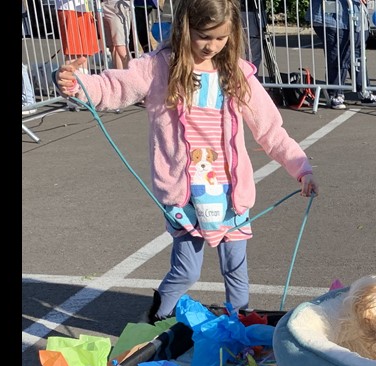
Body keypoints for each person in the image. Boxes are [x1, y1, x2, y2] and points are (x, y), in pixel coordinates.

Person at [53, 0, 320, 322]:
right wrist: (78, 84)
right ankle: (155, 321)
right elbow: (114, 86)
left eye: (221, 38)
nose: (212, 46)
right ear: (184, 28)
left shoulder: (236, 74)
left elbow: (271, 131)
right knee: (186, 270)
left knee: (236, 268)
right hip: (185, 193)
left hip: (231, 193)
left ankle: (240, 321)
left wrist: (301, 168)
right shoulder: (158, 68)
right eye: (204, 36)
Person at [310, 0, 376, 109]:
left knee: (358, 56)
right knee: (338, 55)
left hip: (356, 18)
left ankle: (364, 91)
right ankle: (335, 93)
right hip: (333, 17)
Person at [102, 0, 134, 69]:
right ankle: (119, 76)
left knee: (121, 47)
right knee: (112, 47)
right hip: (102, 5)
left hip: (118, 5)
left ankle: (133, 74)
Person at [240, 0, 268, 77]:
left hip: (254, 11)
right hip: (248, 11)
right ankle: (250, 79)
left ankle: (250, 78)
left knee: (253, 52)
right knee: (253, 52)